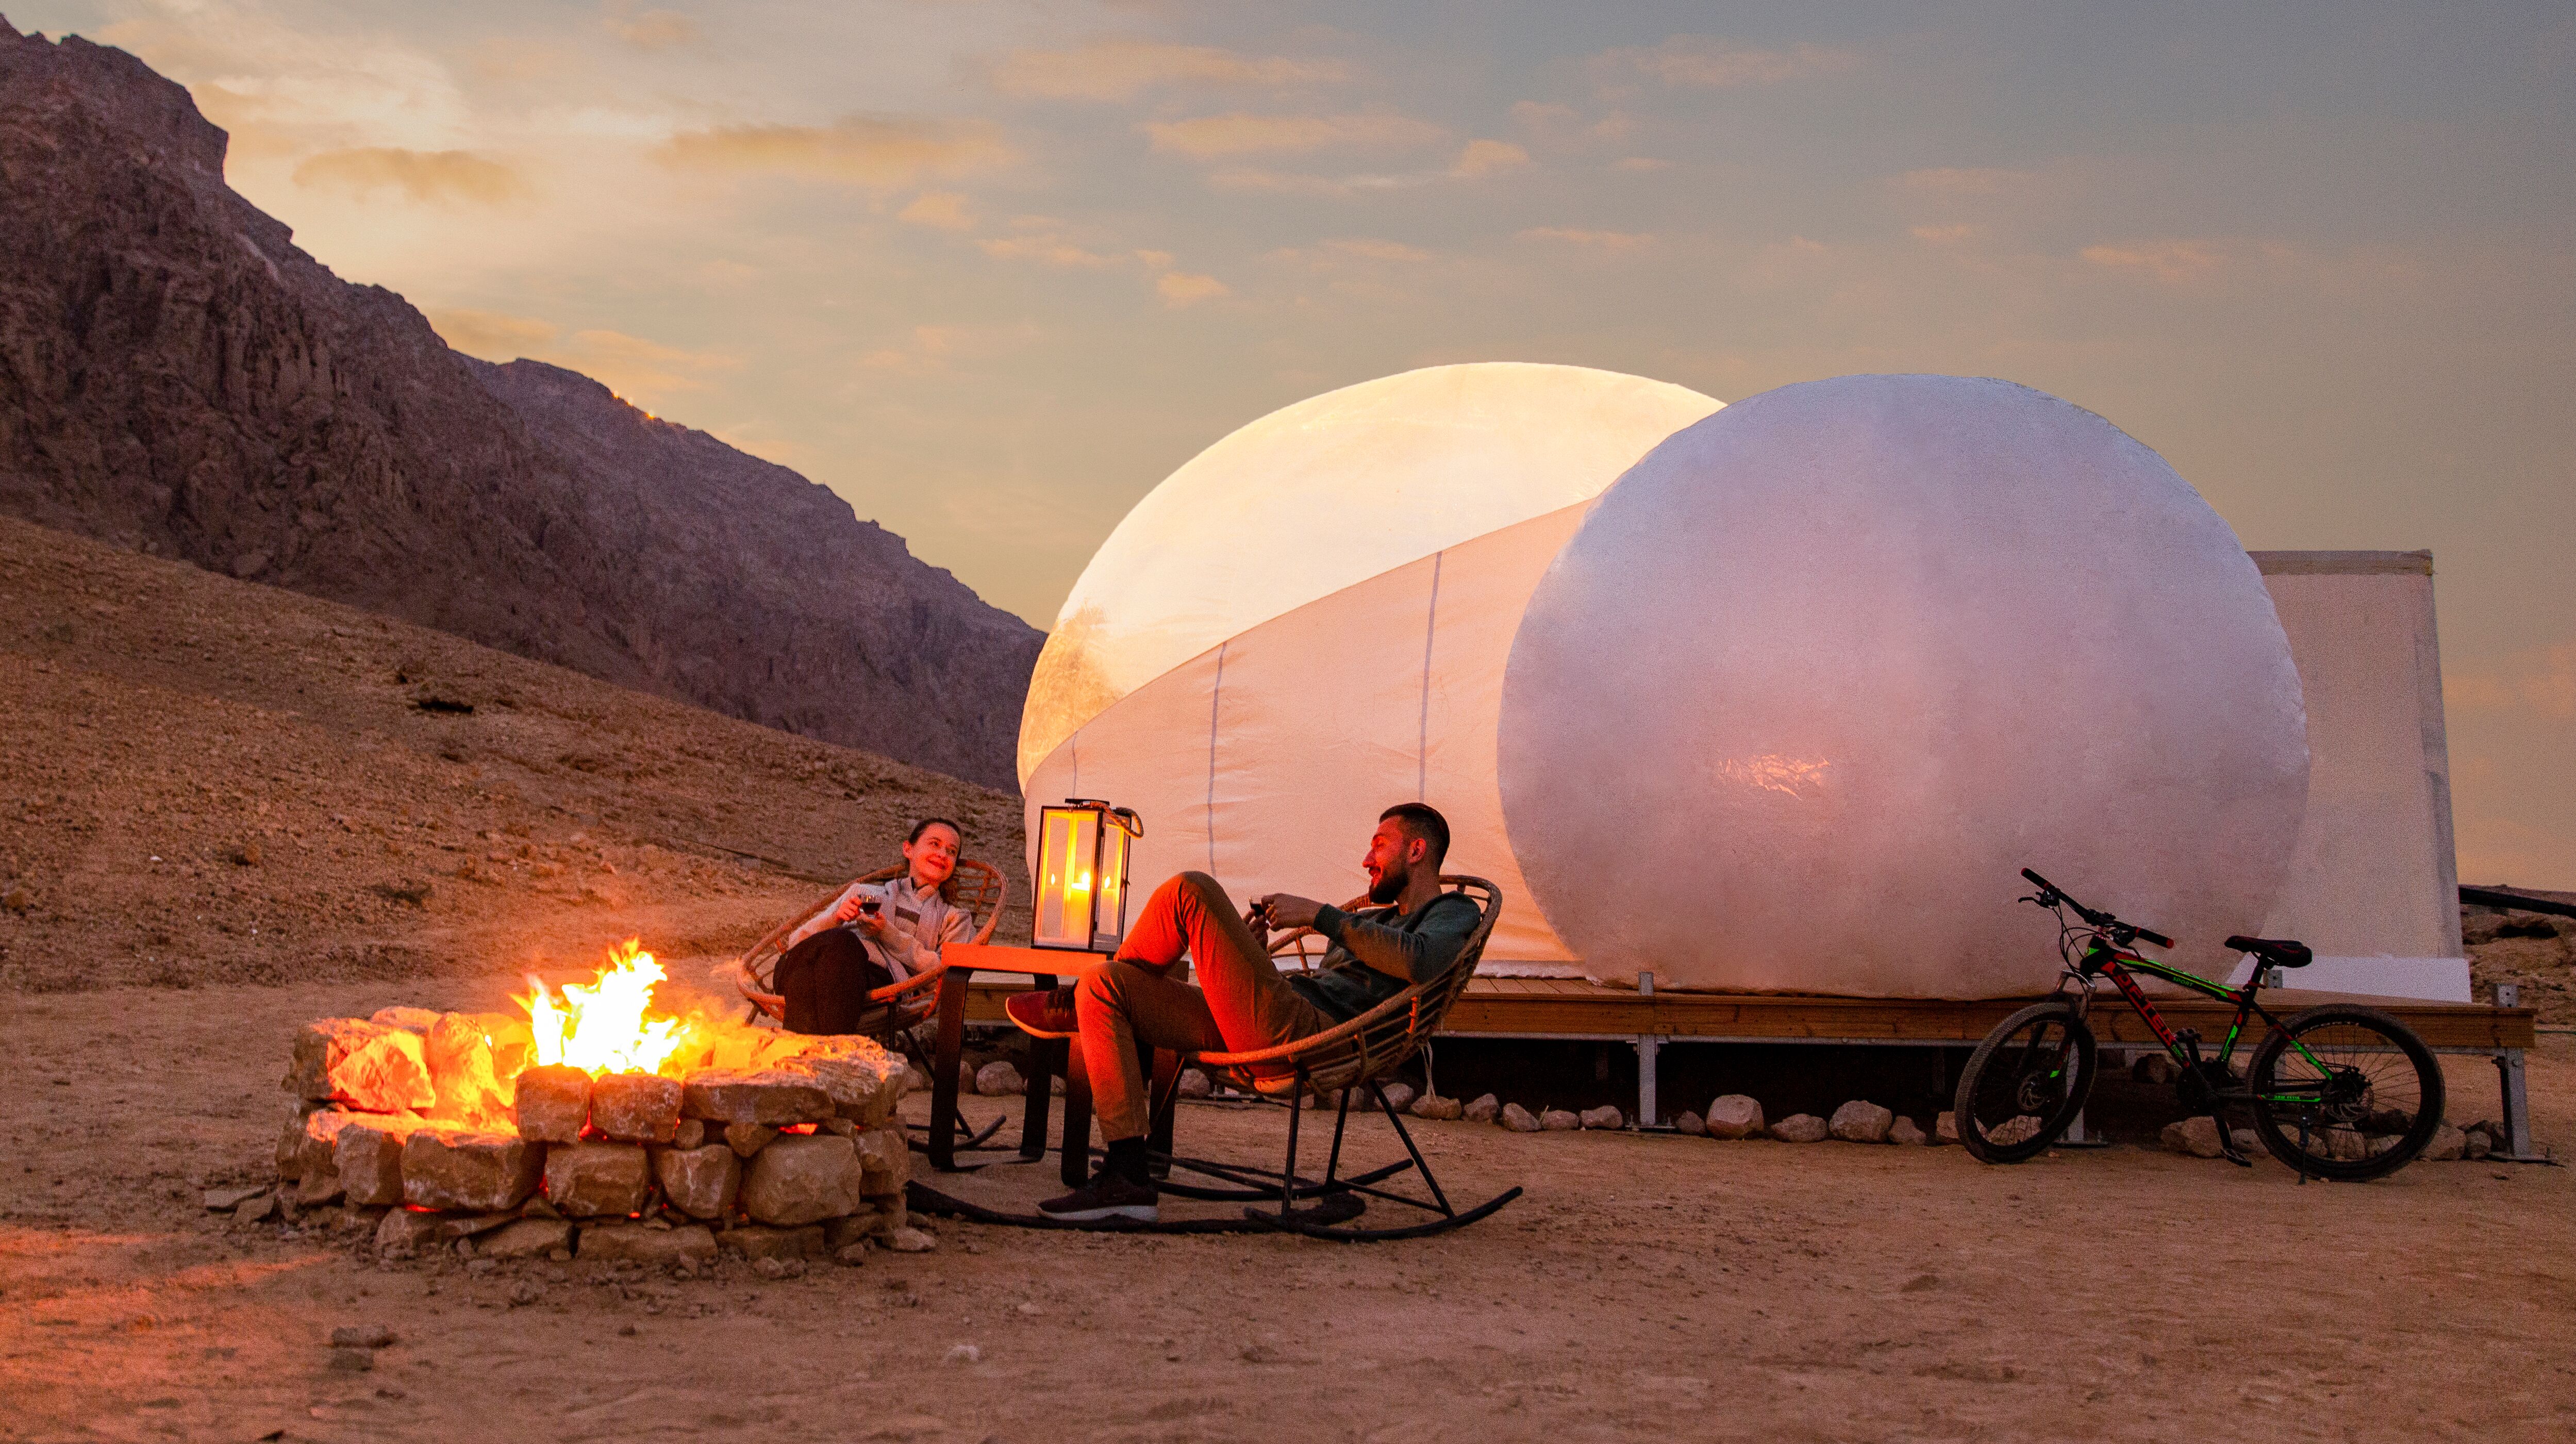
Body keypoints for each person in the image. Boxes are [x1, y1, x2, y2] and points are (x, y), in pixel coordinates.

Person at [1005, 802, 1480, 1222]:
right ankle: (1127, 1173)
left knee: (1190, 890)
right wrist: (1255, 964)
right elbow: (1325, 986)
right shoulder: (1373, 919)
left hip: (1313, 1039)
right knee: (1105, 985)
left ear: (1416, 851)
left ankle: (1073, 1007)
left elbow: (1421, 962)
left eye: (1379, 844)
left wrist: (1320, 915)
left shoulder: (1452, 912)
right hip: (1279, 1018)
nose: (1366, 859)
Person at [773, 818, 970, 1035]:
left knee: (832, 953)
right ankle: (829, 1056)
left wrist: (886, 932)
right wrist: (836, 919)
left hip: (885, 982)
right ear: (908, 849)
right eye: (934, 844)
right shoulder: (864, 892)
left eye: (951, 851)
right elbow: (798, 944)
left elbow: (943, 973)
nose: (942, 854)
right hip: (819, 966)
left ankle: (810, 1054)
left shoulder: (954, 918)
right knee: (818, 960)